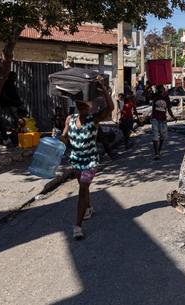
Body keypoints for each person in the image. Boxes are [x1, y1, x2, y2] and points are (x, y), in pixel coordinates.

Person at [53, 77, 114, 240]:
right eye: (80, 103)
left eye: (85, 103)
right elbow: (65, 139)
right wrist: (57, 135)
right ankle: (89, 208)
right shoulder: (70, 119)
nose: (82, 105)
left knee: (82, 190)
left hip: (90, 162)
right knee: (83, 187)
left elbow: (111, 107)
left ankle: (77, 226)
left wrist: (103, 88)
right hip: (76, 160)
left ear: (91, 105)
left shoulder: (94, 120)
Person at [151, 85, 176, 160]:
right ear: (157, 90)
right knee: (155, 135)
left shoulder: (166, 97)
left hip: (163, 120)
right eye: (160, 89)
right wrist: (148, 86)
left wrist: (173, 116)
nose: (162, 90)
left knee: (163, 136)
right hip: (155, 119)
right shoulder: (155, 96)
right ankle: (156, 153)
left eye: (163, 89)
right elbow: (144, 95)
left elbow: (169, 109)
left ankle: (159, 150)